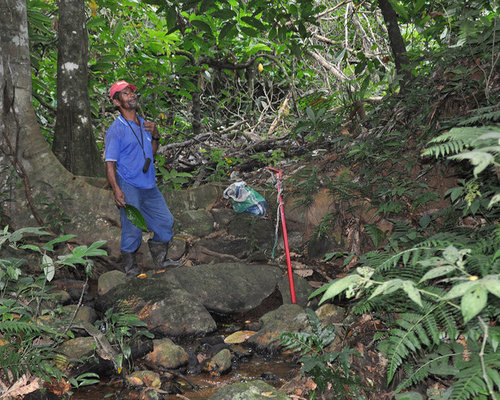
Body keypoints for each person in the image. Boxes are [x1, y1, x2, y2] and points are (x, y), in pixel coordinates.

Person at [104, 80, 182, 277]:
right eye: (125, 93)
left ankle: (161, 260)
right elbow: (110, 163)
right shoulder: (116, 129)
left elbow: (151, 154)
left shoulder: (144, 124)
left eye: (131, 91)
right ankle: (131, 270)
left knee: (165, 221)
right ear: (116, 102)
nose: (131, 95)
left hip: (149, 184)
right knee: (132, 228)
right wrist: (116, 190)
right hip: (128, 184)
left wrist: (155, 136)